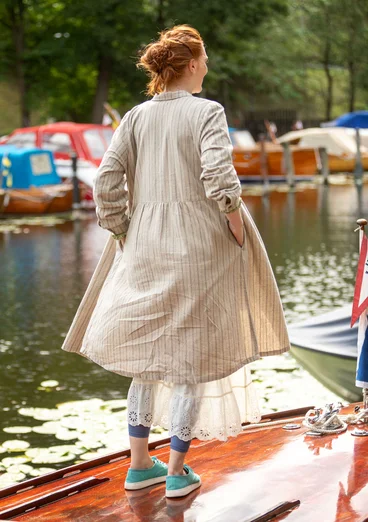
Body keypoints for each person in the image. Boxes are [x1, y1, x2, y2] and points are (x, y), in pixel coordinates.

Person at [61, 24, 290, 498]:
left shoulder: (135, 117)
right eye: (203, 59)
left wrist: (122, 227)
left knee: (147, 361)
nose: (206, 67)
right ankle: (177, 473)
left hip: (144, 242)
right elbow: (217, 171)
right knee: (190, 359)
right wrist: (231, 214)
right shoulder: (207, 111)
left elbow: (106, 180)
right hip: (198, 244)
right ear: (190, 65)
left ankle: (140, 465)